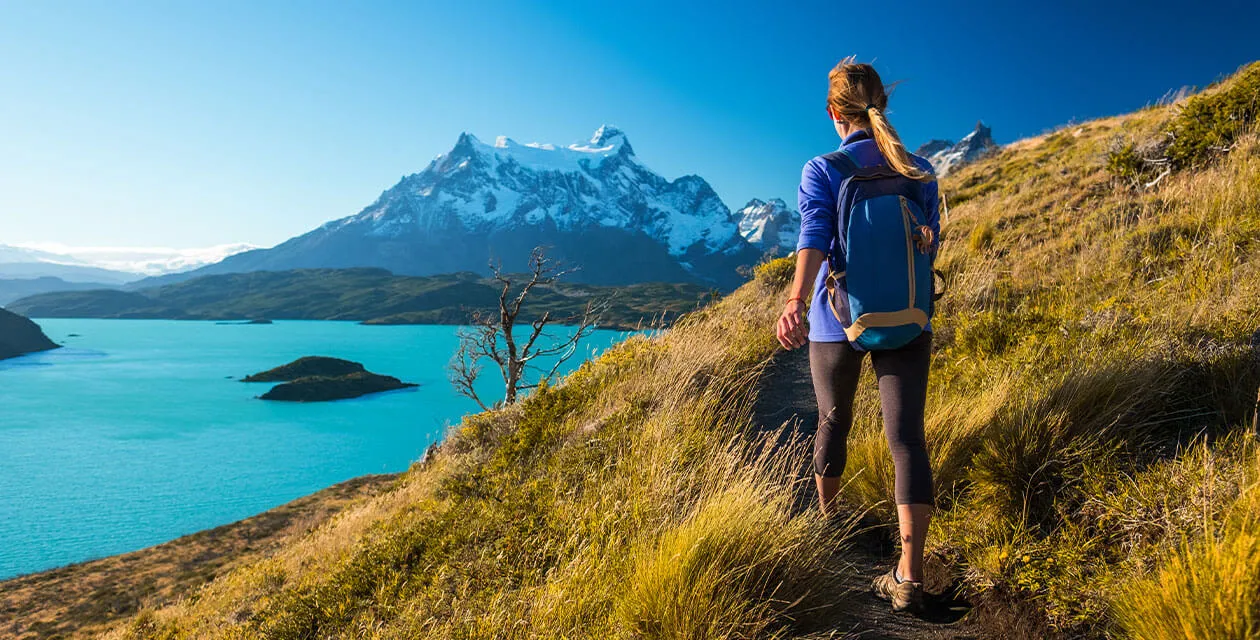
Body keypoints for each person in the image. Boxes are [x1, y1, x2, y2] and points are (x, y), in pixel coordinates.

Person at [774, 57, 940, 614]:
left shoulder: (823, 169)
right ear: (882, 106)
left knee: (832, 419)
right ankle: (909, 576)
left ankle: (831, 526)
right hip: (910, 319)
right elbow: (929, 242)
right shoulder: (920, 170)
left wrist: (796, 299)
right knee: (907, 440)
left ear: (832, 111)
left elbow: (815, 235)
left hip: (835, 320)